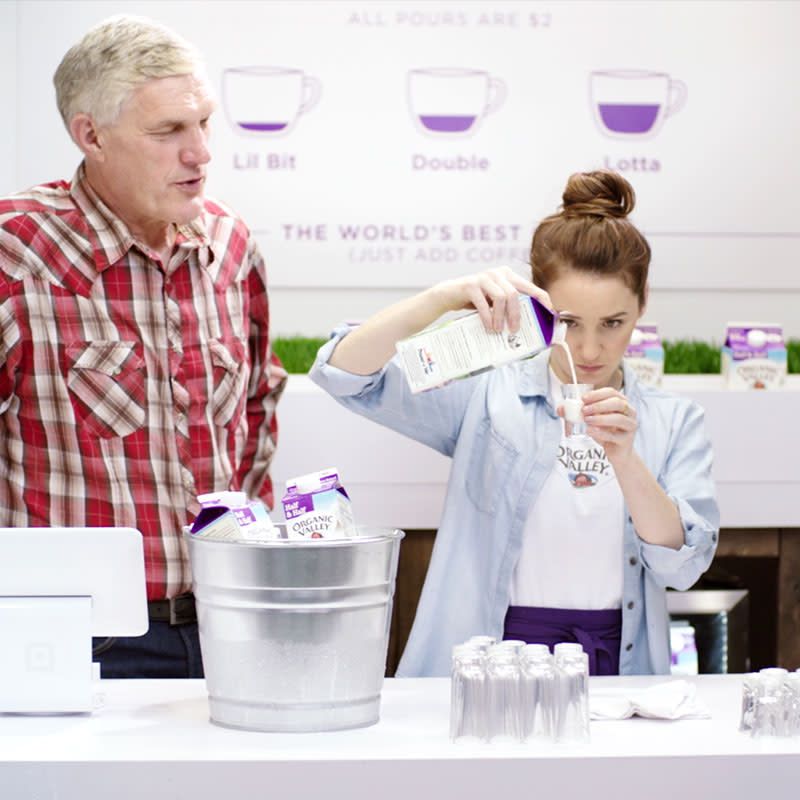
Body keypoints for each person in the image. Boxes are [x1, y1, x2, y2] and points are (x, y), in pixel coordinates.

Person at [310, 170, 719, 677]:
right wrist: (444, 298)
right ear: (538, 305)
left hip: (622, 664)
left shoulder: (673, 420)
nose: (589, 349)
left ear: (642, 305)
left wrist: (625, 458)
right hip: (492, 659)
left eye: (613, 323)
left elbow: (682, 566)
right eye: (568, 322)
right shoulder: (487, 393)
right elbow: (344, 374)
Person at [0, 16, 286, 677]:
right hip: (76, 642)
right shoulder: (16, 252)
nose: (201, 152)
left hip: (229, 625)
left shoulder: (231, 244)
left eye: (204, 123)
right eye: (169, 132)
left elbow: (257, 417)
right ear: (91, 135)